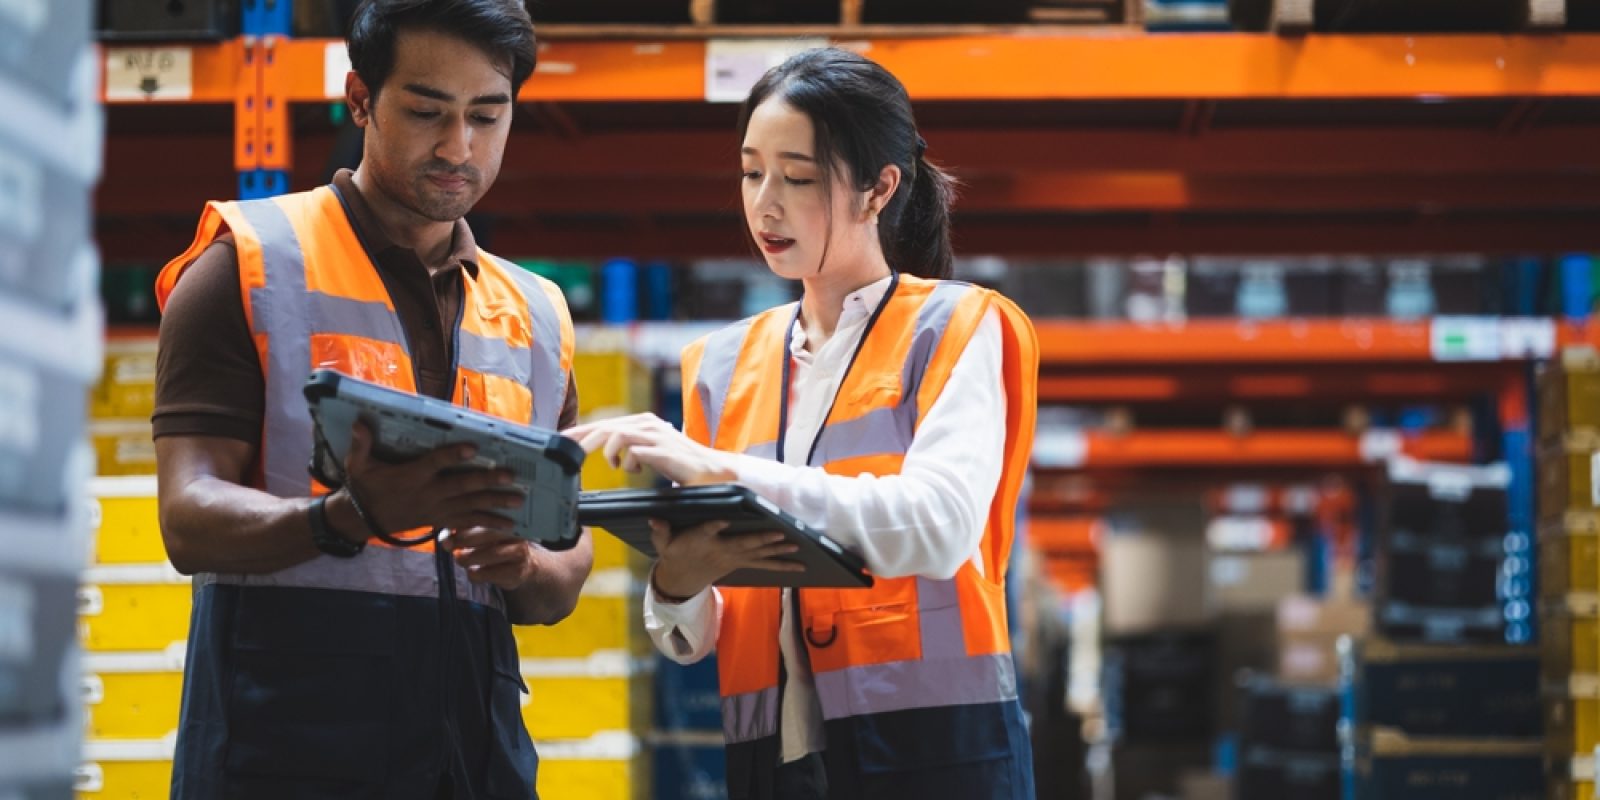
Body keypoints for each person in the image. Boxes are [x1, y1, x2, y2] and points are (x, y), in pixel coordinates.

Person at [568, 48, 1039, 800]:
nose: (765, 204)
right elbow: (715, 619)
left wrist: (722, 471)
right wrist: (678, 588)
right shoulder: (720, 366)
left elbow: (940, 525)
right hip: (771, 764)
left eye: (798, 177)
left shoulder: (956, 327)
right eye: (753, 172)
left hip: (933, 750)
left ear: (878, 188)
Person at [150, 1, 593, 797]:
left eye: (487, 116)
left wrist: (524, 563)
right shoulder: (244, 267)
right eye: (427, 112)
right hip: (279, 751)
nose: (459, 147)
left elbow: (567, 560)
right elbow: (185, 518)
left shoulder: (537, 314)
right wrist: (345, 516)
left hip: (475, 755)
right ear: (360, 99)